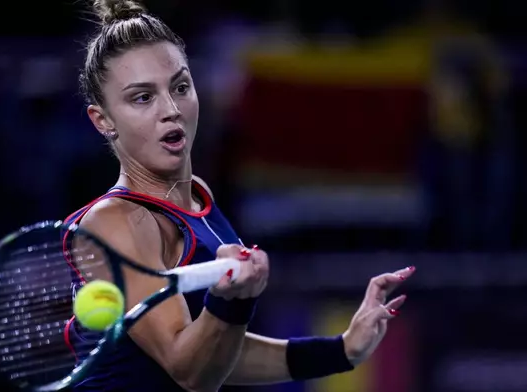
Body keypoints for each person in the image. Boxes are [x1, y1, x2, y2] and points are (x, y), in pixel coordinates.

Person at [63, 1, 415, 390]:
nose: (171, 109)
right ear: (104, 120)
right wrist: (231, 301)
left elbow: (222, 353)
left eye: (180, 87)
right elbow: (189, 371)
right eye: (142, 98)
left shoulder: (199, 198)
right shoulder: (116, 223)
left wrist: (341, 350)